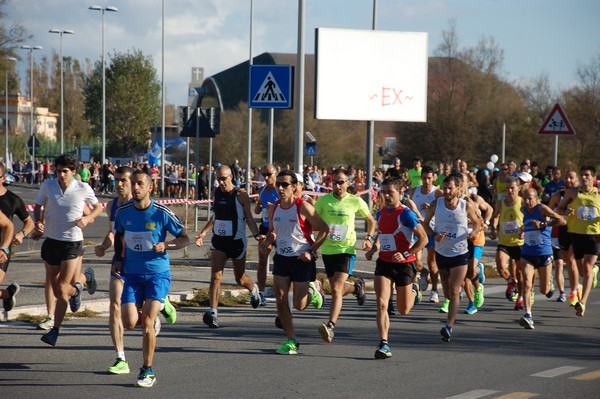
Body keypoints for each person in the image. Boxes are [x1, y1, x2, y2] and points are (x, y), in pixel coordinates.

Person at [112, 169, 189, 387]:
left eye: (139, 184)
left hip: (157, 273)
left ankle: (147, 371)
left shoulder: (161, 212)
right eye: (133, 184)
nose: (135, 188)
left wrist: (167, 245)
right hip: (132, 274)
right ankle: (161, 306)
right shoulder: (123, 212)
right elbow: (119, 236)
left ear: (150, 187)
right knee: (129, 322)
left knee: (146, 323)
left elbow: (184, 238)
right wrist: (118, 258)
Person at [34, 154, 102, 346]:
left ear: (73, 172)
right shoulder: (48, 185)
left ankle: (55, 330)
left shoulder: (82, 188)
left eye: (65, 171)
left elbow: (97, 208)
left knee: (63, 287)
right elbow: (38, 206)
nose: (61, 174)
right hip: (52, 241)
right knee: (57, 289)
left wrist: (87, 219)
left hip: (72, 242)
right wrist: (39, 221)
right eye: (58, 171)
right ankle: (83, 283)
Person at [259, 170, 329, 354]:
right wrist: (267, 241)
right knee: (281, 300)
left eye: (285, 185)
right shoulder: (273, 208)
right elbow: (273, 232)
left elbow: (324, 229)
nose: (280, 188)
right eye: (278, 185)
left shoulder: (303, 207)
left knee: (299, 305)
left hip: (301, 259)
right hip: (282, 258)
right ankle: (292, 341)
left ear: (294, 187)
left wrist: (311, 252)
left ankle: (315, 288)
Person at [365, 177, 427, 358]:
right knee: (382, 303)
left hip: (404, 265)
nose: (386, 195)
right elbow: (382, 235)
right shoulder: (381, 212)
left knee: (403, 310)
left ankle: (415, 292)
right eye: (383, 192)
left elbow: (422, 239)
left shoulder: (406, 214)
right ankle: (384, 343)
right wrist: (373, 249)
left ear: (400, 193)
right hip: (384, 263)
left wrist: (406, 254)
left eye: (390, 192)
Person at [195, 165, 264, 328]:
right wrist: (203, 233)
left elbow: (249, 218)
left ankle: (253, 288)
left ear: (231, 177)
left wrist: (256, 234)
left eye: (224, 179)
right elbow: (215, 216)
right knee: (215, 276)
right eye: (218, 179)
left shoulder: (241, 195)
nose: (221, 182)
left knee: (239, 279)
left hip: (236, 241)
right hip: (219, 241)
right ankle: (213, 313)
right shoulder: (216, 193)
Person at [314, 168, 376, 343]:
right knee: (337, 287)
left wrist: (369, 238)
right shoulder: (323, 201)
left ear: (348, 183)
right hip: (328, 250)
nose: (337, 185)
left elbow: (371, 220)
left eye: (341, 182)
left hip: (346, 249)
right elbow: (314, 221)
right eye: (334, 182)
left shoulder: (355, 201)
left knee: (335, 289)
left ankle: (331, 326)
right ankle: (356, 287)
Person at [423, 175, 482, 342]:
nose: (447, 191)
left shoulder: (465, 205)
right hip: (442, 253)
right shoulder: (437, 204)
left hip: (460, 253)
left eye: (450, 188)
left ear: (458, 188)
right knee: (448, 294)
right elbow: (425, 224)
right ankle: (477, 275)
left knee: (455, 290)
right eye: (445, 188)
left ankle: (449, 326)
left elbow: (478, 222)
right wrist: (434, 235)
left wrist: (474, 232)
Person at [519, 188, 565, 329]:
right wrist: (522, 230)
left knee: (545, 291)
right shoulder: (523, 210)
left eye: (530, 198)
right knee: (526, 283)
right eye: (525, 198)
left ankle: (549, 281)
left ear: (537, 198)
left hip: (544, 252)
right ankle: (528, 315)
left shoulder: (542, 208)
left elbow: (561, 221)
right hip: (527, 252)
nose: (527, 202)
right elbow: (527, 226)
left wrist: (544, 224)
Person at [557, 165, 600, 317]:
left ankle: (582, 302)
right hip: (576, 234)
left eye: (587, 175)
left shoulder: (599, 194)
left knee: (587, 268)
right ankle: (595, 271)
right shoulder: (572, 192)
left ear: (594, 179)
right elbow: (559, 210)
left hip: (594, 236)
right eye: (582, 175)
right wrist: (566, 211)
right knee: (582, 271)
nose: (584, 177)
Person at [0, 163, 33, 312]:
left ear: (3, 178)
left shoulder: (13, 199)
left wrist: (21, 234)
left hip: (3, 248)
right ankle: (7, 294)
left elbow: (29, 223)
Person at [489, 177, 525, 310]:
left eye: (512, 188)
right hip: (504, 241)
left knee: (520, 273)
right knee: (500, 266)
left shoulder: (523, 203)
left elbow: (529, 218)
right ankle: (511, 281)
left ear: (519, 189)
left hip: (519, 242)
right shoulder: (500, 203)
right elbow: (496, 216)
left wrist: (524, 230)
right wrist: (493, 228)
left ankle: (520, 298)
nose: (509, 190)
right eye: (507, 188)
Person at [409, 165, 443, 303]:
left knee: (432, 261)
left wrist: (432, 208)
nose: (427, 181)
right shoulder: (414, 191)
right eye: (424, 178)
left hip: (432, 230)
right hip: (417, 231)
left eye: (429, 178)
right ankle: (424, 273)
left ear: (434, 178)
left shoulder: (437, 193)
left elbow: (445, 208)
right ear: (421, 178)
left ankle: (434, 290)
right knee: (416, 262)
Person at [548, 171, 580, 304]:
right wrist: (561, 215)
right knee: (566, 260)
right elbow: (549, 212)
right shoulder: (557, 196)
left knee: (571, 261)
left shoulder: (583, 195)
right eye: (566, 177)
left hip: (578, 231)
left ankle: (573, 291)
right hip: (562, 231)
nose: (568, 180)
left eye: (571, 177)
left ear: (577, 180)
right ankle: (577, 286)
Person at [254, 163, 279, 306]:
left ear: (276, 173)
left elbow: (289, 205)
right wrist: (258, 207)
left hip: (279, 229)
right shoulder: (263, 190)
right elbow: (258, 208)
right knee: (262, 260)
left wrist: (275, 207)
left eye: (269, 174)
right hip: (265, 228)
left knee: (281, 261)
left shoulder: (280, 189)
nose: (267, 177)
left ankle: (282, 291)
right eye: (264, 175)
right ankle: (262, 293)